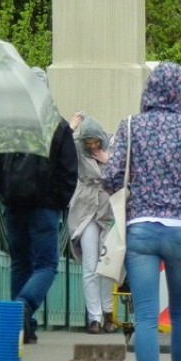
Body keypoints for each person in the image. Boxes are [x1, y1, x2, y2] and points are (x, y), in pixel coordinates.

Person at [103, 63, 181, 361]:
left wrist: (137, 198)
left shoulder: (130, 127)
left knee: (145, 316)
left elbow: (111, 178)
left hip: (141, 230)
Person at [0, 68, 78, 345]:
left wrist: (7, 191)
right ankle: (24, 306)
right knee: (47, 265)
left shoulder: (10, 124)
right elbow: (69, 171)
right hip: (45, 207)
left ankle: (24, 328)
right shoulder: (58, 126)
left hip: (13, 204)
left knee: (20, 263)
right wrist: (58, 201)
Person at [67, 112, 117, 334]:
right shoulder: (77, 149)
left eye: (95, 141)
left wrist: (109, 162)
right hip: (86, 206)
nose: (92, 146)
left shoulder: (113, 145)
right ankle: (94, 317)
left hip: (107, 206)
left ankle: (108, 312)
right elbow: (57, 147)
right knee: (90, 264)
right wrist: (72, 126)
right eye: (88, 143)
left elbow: (127, 173)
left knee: (106, 264)